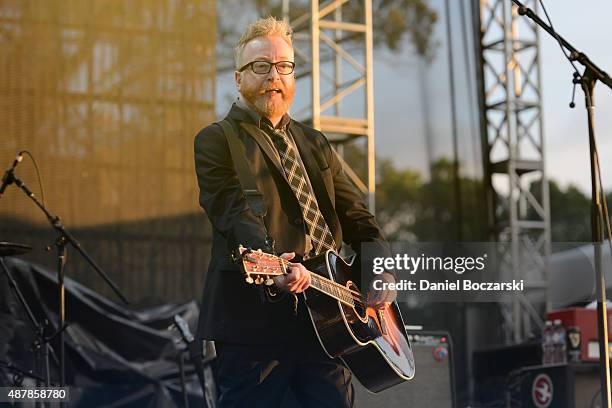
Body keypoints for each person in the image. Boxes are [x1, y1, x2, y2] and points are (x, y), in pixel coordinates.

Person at [194, 16, 395, 408]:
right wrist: (275, 266)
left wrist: (378, 270)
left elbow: (360, 221)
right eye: (261, 66)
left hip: (329, 321)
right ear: (239, 78)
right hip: (254, 324)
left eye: (284, 66)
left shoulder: (314, 142)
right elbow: (233, 213)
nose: (275, 75)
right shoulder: (217, 140)